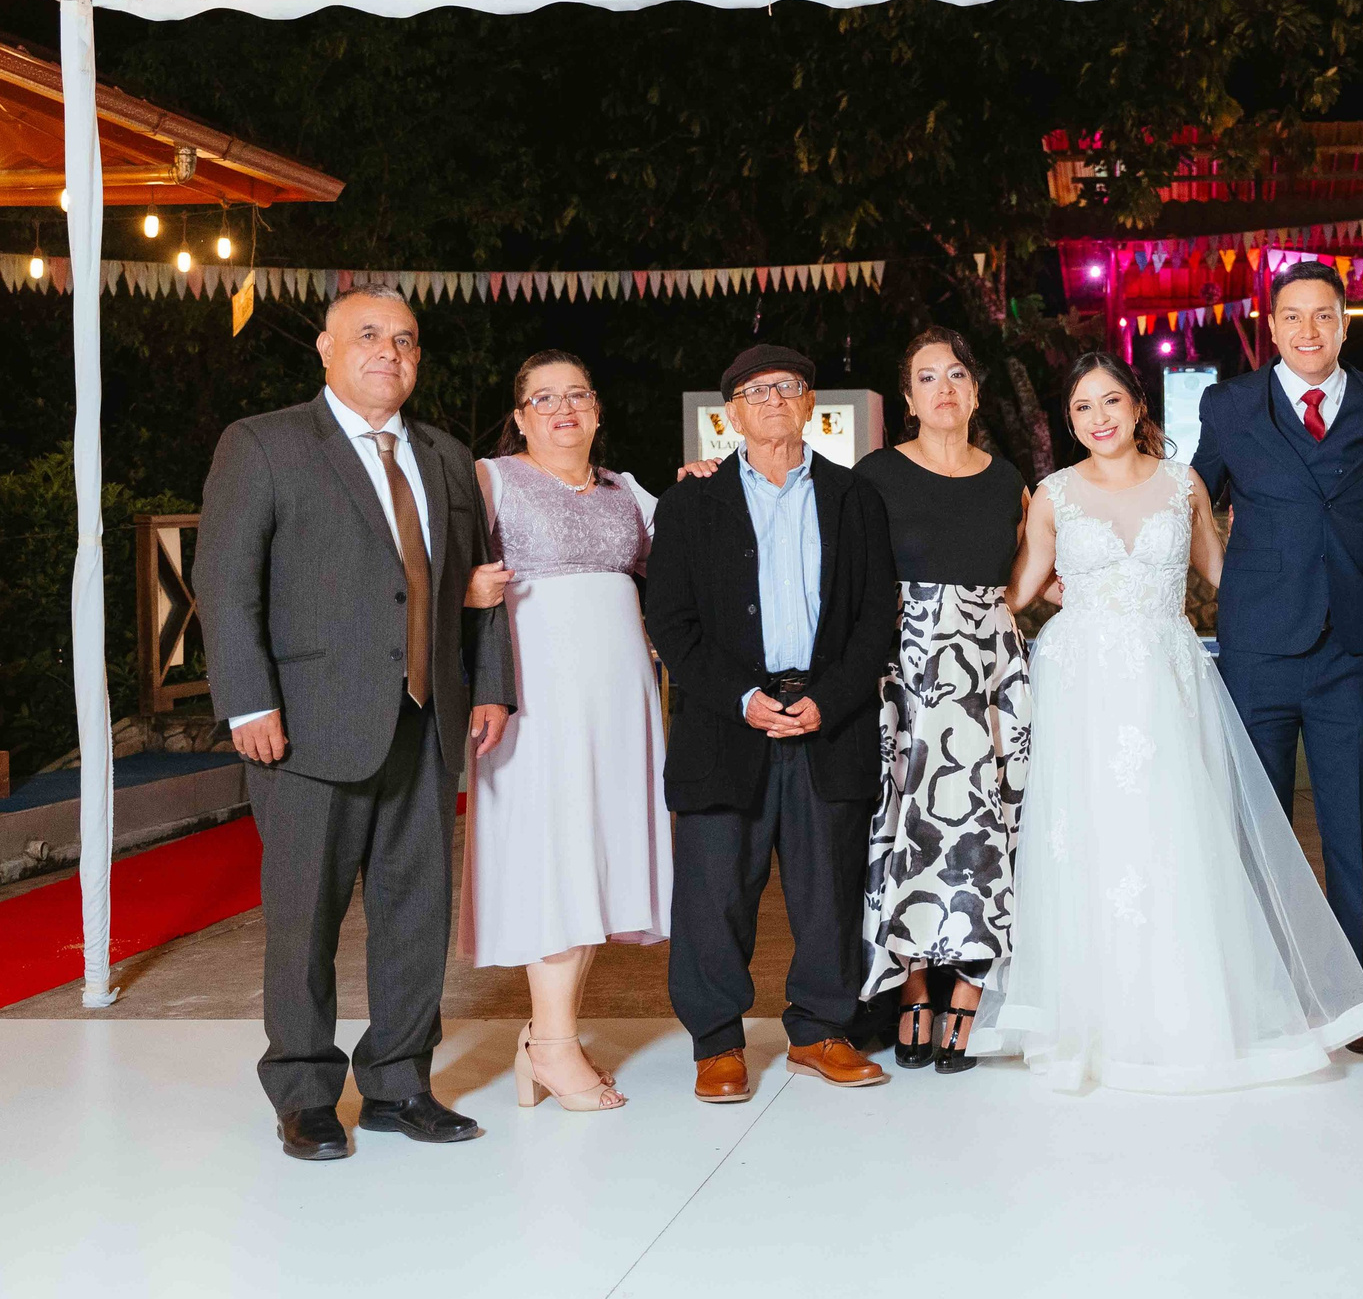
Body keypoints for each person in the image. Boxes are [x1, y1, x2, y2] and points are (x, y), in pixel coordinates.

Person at [969, 353, 1363, 1091]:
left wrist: (1312, 593)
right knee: (1092, 838)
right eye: (1082, 408)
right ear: (1070, 422)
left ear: (1137, 405)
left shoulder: (1182, 483)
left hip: (1169, 674)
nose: (1099, 418)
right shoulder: (1054, 494)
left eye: (1110, 401)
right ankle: (1092, 1015)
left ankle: (1183, 1011)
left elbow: (1226, 576)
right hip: (1082, 683)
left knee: (1177, 833)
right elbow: (1021, 589)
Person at [196, 285, 514, 1162]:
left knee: (416, 914)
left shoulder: (446, 456)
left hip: (426, 719)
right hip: (306, 726)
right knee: (304, 917)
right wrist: (247, 699)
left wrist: (488, 686)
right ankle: (304, 1091)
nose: (389, 352)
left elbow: (477, 582)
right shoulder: (264, 444)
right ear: (326, 349)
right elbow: (224, 581)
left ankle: (399, 1083)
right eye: (369, 334)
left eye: (405, 339)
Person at [644, 343, 898, 1100]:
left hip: (828, 718)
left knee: (829, 888)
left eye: (787, 386)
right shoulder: (690, 502)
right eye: (755, 392)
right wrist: (740, 698)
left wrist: (831, 698)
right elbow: (671, 621)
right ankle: (717, 1042)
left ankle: (820, 1030)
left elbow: (875, 618)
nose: (773, 400)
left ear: (810, 403)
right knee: (714, 888)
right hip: (727, 721)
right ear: (731, 415)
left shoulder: (855, 498)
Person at [1190, 259, 1363, 1053]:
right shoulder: (1230, 404)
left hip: (1352, 649)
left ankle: (1354, 1003)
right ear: (1272, 327)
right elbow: (1190, 499)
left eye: (1323, 315)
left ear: (1345, 323)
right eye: (1292, 316)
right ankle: (1268, 999)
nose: (1308, 330)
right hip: (1259, 648)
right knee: (1259, 828)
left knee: (1351, 833)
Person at [458, 351, 670, 1114]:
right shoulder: (492, 480)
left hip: (619, 705)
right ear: (520, 416)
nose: (563, 409)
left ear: (597, 409)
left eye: (576, 394)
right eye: (543, 398)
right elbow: (427, 564)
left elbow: (687, 550)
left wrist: (708, 483)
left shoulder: (625, 491)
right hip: (536, 700)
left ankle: (546, 1039)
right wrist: (466, 590)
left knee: (595, 863)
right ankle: (551, 1043)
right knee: (553, 855)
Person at [854, 328, 1032, 1073]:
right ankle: (913, 987)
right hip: (908, 672)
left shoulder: (1008, 479)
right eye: (927, 377)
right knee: (906, 827)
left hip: (991, 671)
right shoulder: (875, 475)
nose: (945, 388)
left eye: (957, 374)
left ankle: (968, 989)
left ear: (976, 391)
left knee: (989, 828)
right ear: (908, 398)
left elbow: (1030, 577)